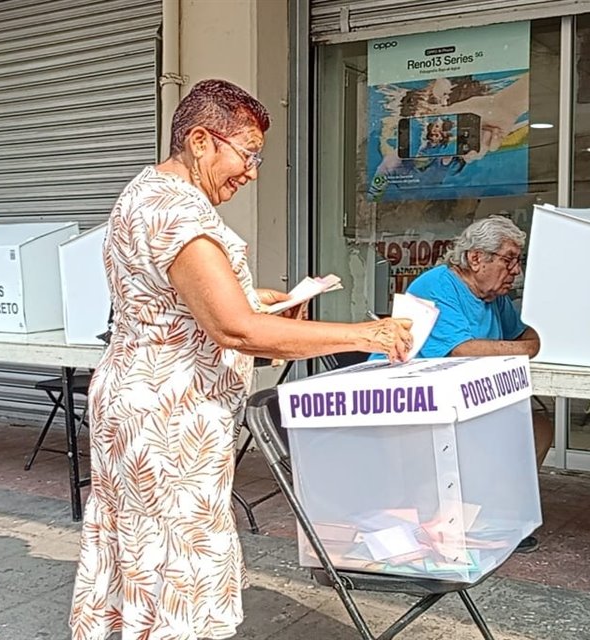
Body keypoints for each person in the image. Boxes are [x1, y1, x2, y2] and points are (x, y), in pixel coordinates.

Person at [69, 79, 412, 640]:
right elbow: (234, 329)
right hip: (170, 415)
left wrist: (256, 301)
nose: (251, 172)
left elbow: (180, 303)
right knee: (177, 552)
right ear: (201, 141)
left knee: (139, 544)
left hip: (138, 401)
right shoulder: (179, 213)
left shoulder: (145, 191)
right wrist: (368, 335)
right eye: (248, 154)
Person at [403, 215, 554, 553]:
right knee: (489, 438)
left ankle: (494, 517)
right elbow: (464, 350)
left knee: (538, 428)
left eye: (518, 261)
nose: (515, 270)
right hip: (417, 407)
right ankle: (461, 522)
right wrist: (522, 349)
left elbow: (530, 337)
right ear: (475, 258)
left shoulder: (494, 297)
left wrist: (520, 348)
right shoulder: (437, 286)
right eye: (509, 259)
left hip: (468, 403)